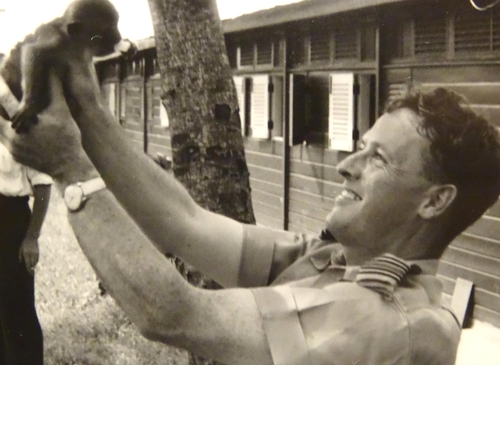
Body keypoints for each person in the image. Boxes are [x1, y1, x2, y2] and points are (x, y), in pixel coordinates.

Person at [1, 62, 500, 365]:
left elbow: (175, 313)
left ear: (435, 201)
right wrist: (85, 104)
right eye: (358, 148)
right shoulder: (336, 259)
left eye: (377, 160)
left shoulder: (390, 320)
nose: (346, 167)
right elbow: (185, 222)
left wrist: (71, 170)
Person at [0, 137, 52, 365]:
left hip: (11, 223)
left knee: (16, 305)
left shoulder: (21, 135)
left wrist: (31, 237)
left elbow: (43, 185)